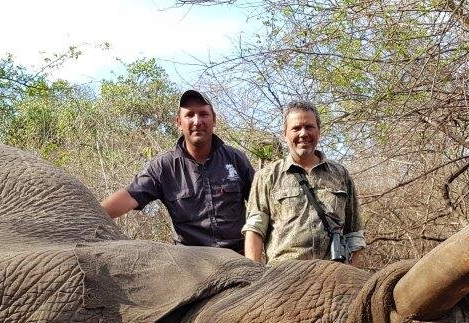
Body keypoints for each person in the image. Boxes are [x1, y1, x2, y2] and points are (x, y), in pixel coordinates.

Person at [101, 89, 255, 254]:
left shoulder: (236, 159)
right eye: (189, 115)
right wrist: (85, 216)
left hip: (238, 258)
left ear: (214, 120)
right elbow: (130, 196)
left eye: (203, 114)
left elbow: (262, 208)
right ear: (179, 122)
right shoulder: (164, 166)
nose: (197, 121)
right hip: (191, 264)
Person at [242, 100, 365, 265]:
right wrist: (253, 277)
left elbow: (354, 233)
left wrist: (350, 274)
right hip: (283, 276)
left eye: (309, 127)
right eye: (296, 128)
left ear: (319, 131)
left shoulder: (340, 174)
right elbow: (255, 231)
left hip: (333, 275)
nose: (303, 134)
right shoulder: (267, 176)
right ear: (285, 134)